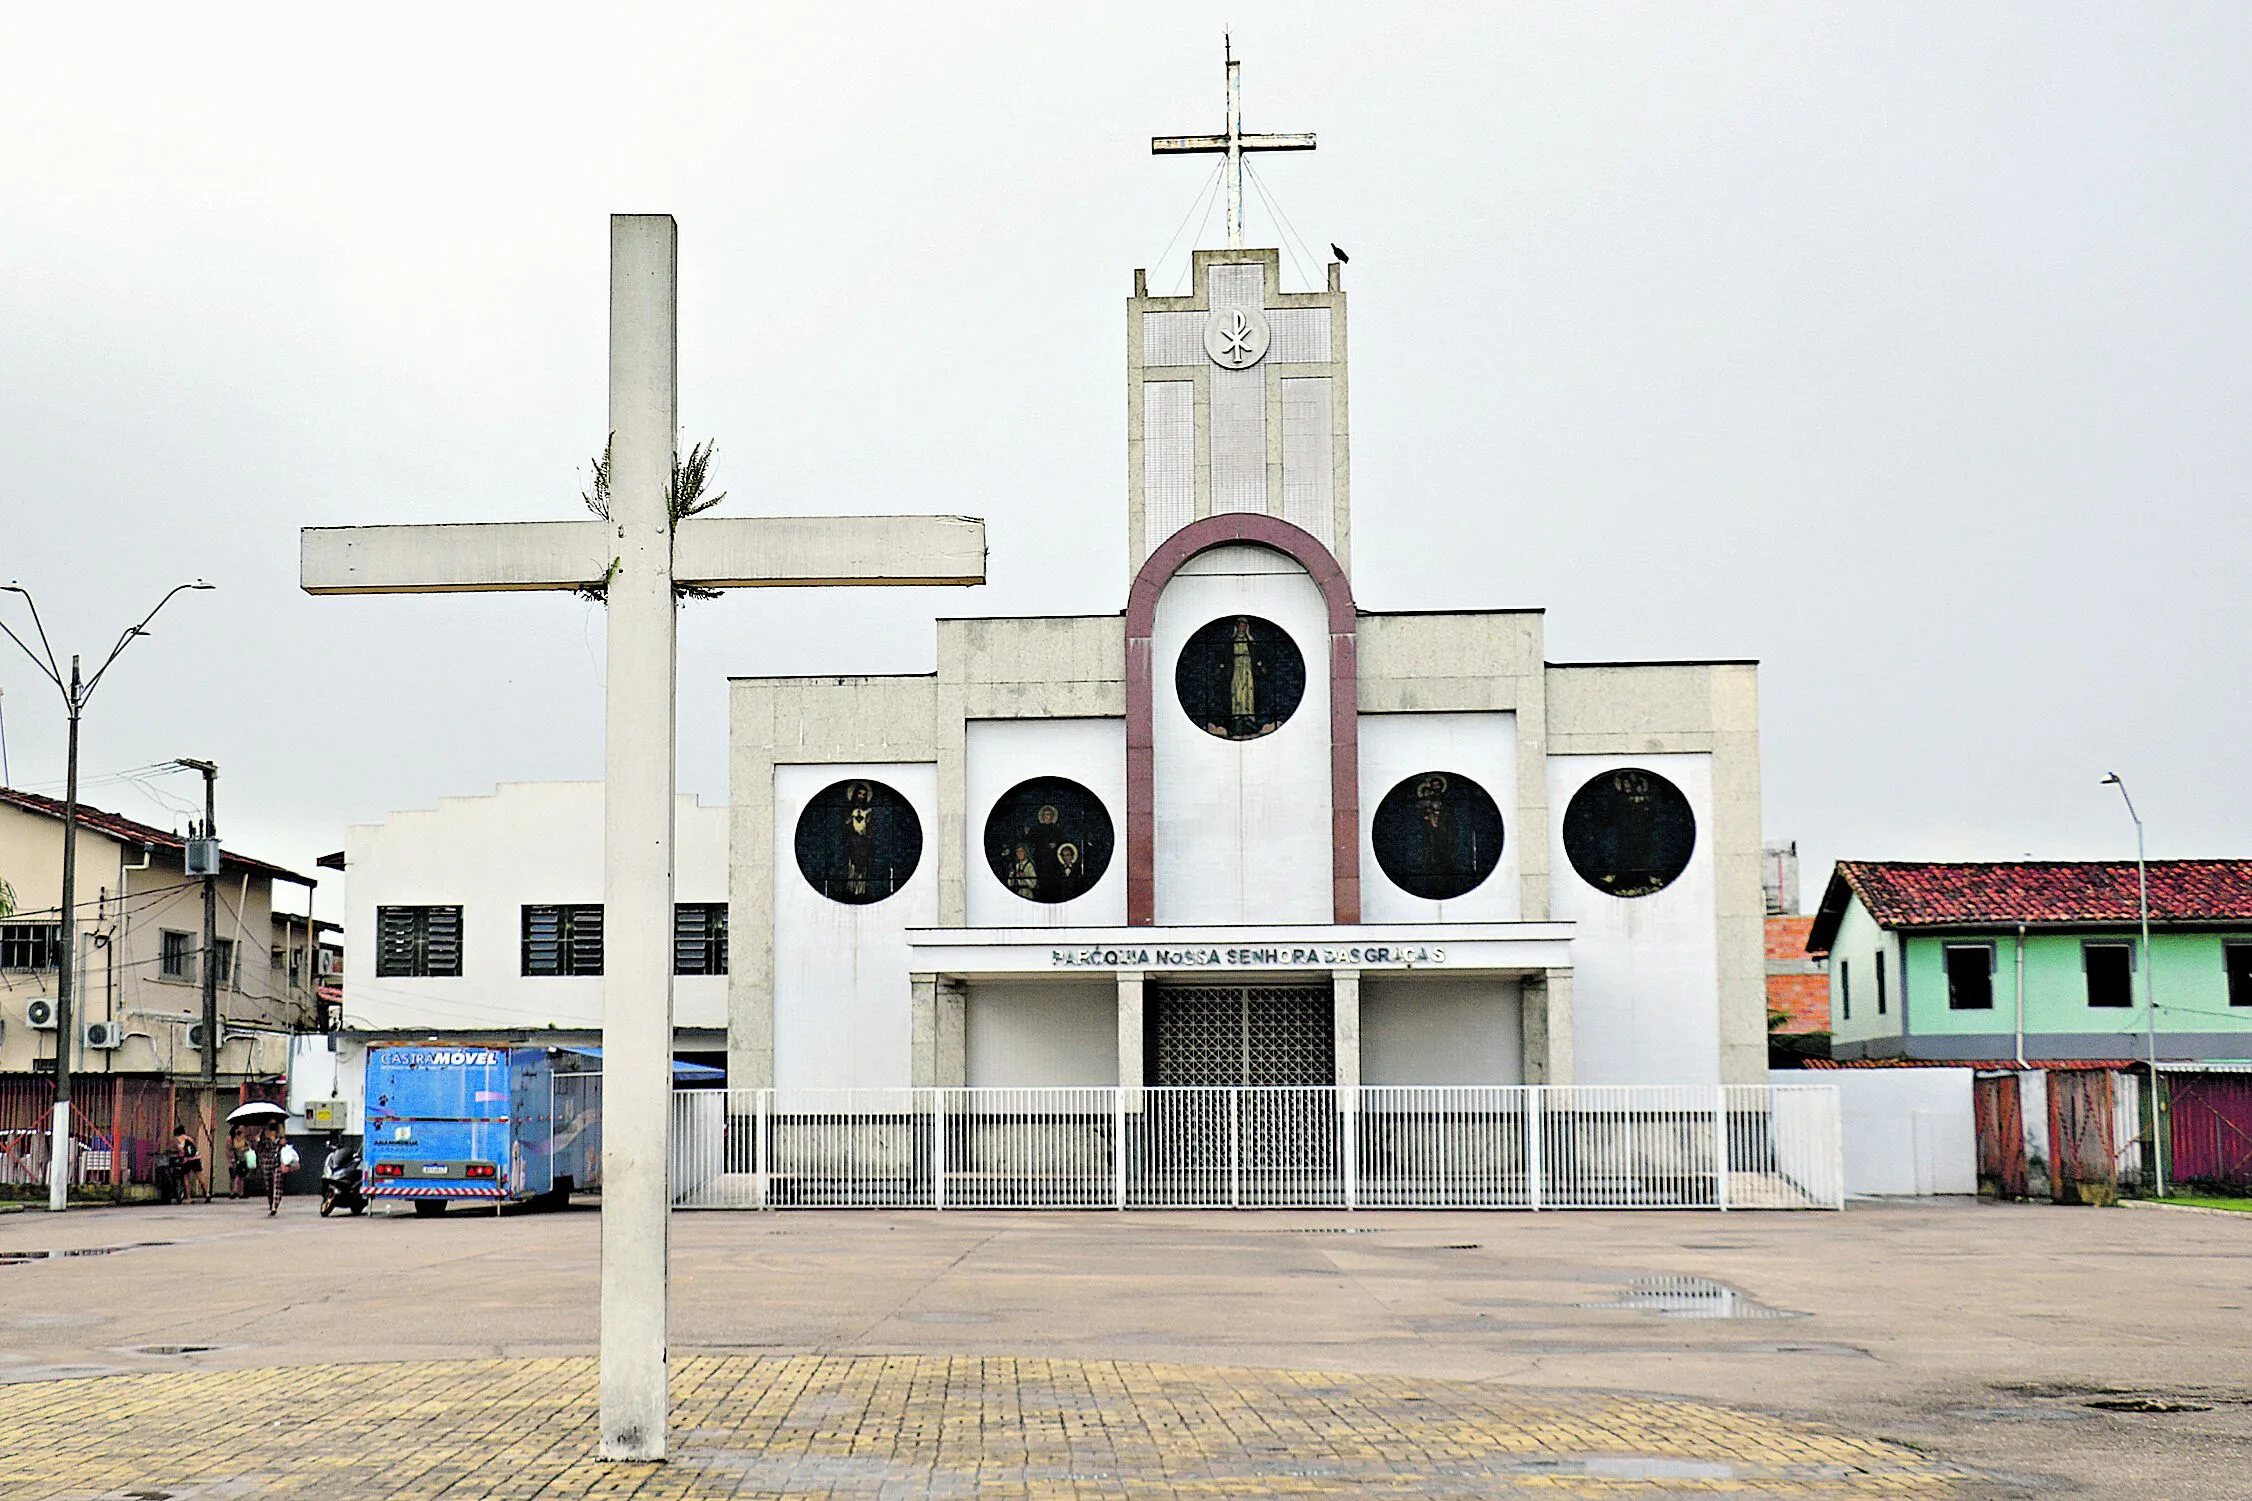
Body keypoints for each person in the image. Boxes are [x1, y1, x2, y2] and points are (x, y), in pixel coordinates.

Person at [172, 1126, 206, 1204]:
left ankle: (188, 1197)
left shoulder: (178, 1139)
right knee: (200, 1176)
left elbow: (181, 1150)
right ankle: (207, 1193)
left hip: (186, 1160)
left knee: (186, 1178)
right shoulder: (189, 1138)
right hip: (196, 1158)